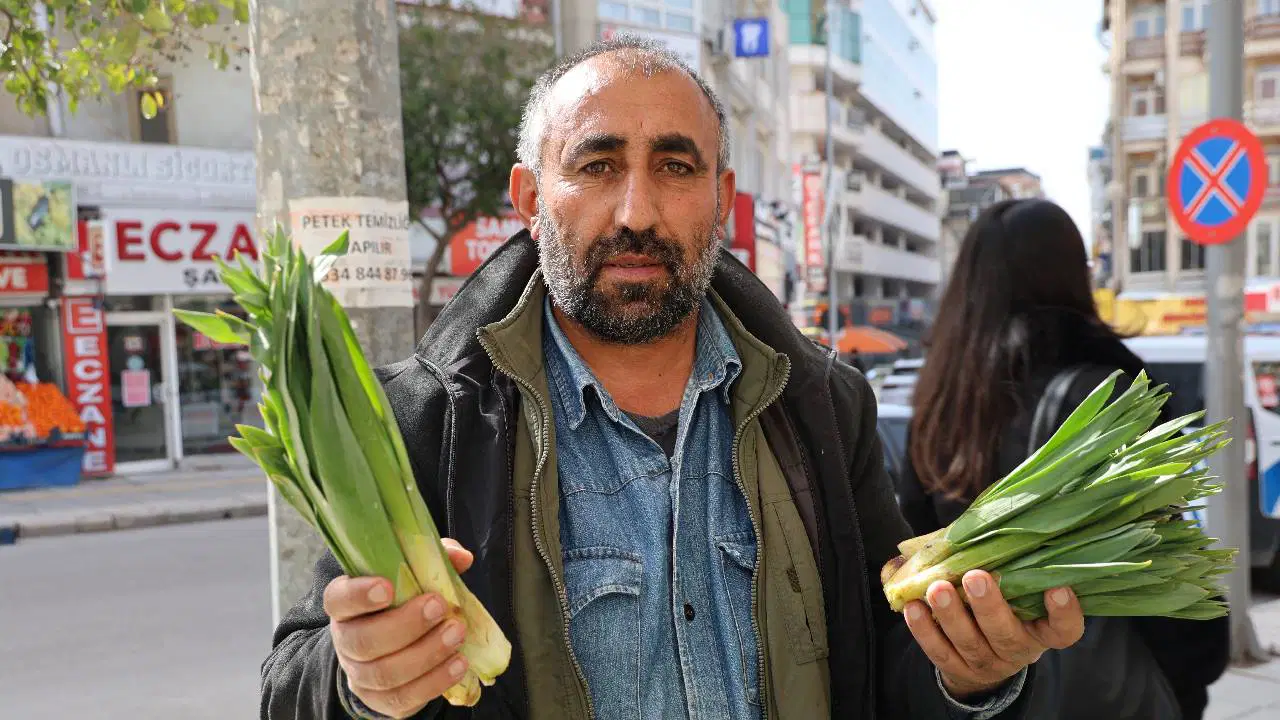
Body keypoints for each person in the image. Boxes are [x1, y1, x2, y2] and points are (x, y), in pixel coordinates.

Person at [261, 39, 1086, 720]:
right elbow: (287, 688)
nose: (636, 213)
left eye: (676, 167)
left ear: (721, 197)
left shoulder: (824, 408)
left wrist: (973, 675)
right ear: (529, 197)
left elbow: (888, 670)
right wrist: (357, 682)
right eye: (596, 165)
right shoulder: (430, 421)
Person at [896, 199, 1230, 720]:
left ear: (969, 287)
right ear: (1073, 276)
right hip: (1104, 695)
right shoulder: (1111, 397)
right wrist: (1193, 678)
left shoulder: (941, 400)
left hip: (982, 696)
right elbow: (1169, 568)